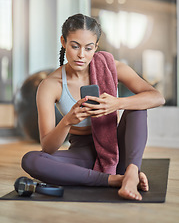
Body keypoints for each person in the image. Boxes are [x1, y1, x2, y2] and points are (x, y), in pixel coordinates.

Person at [21, 13, 165, 201]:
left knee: (138, 105)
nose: (82, 55)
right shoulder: (50, 85)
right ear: (63, 42)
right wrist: (67, 122)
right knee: (31, 160)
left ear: (96, 46)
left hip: (116, 148)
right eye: (75, 46)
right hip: (83, 154)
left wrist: (117, 103)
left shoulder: (110, 66)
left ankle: (131, 171)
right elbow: (47, 148)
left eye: (89, 48)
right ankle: (114, 179)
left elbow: (157, 97)